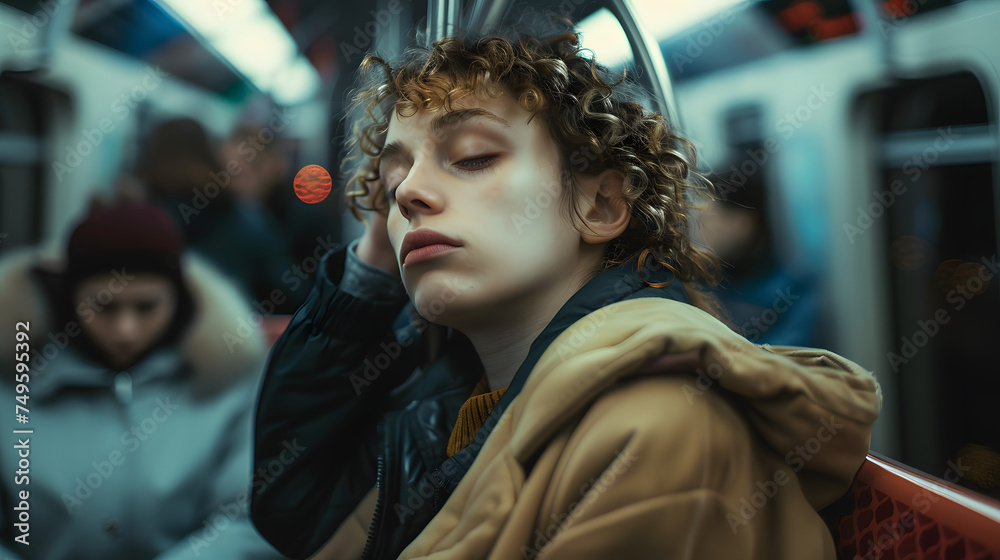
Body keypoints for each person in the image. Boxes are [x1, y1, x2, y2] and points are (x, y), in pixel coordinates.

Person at [251, 30, 881, 559]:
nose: (409, 193)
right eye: (394, 182)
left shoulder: (660, 430)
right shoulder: (462, 402)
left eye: (471, 156)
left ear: (601, 204)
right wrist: (370, 265)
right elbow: (302, 508)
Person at [0, 200, 285, 559]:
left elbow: (251, 517)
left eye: (146, 306)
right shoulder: (9, 377)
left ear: (179, 299)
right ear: (66, 299)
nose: (125, 329)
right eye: (104, 306)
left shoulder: (229, 379)